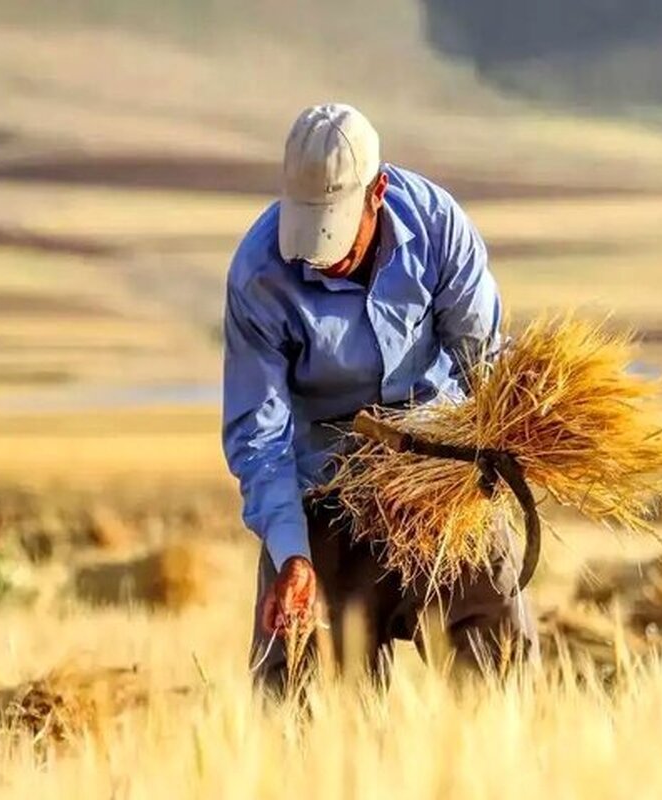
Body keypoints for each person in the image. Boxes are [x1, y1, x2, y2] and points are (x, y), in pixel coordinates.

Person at [222, 103, 538, 694]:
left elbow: (483, 365)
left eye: (336, 228)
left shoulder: (439, 228)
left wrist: (504, 449)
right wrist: (292, 554)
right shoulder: (258, 275)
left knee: (500, 673)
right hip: (326, 486)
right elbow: (259, 438)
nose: (321, 251)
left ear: (378, 192)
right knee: (297, 683)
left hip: (441, 478)